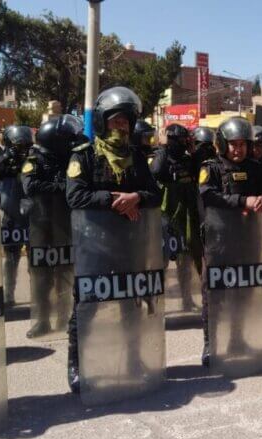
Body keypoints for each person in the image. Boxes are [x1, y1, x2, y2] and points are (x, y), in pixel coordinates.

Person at [65, 86, 161, 393]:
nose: (120, 127)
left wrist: (136, 196)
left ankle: (133, 360)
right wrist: (112, 199)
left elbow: (155, 195)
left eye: (125, 122)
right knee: (86, 307)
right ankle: (77, 365)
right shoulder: (85, 156)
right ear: (104, 122)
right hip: (93, 245)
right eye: (115, 121)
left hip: (129, 245)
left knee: (130, 307)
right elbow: (75, 196)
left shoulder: (137, 158)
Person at [198, 116, 262, 366]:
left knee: (243, 293)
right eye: (233, 144)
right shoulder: (209, 168)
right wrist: (243, 201)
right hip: (219, 241)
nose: (238, 149)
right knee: (215, 294)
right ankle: (211, 344)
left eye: (243, 144)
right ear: (222, 144)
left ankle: (237, 339)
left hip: (247, 238)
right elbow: (208, 195)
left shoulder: (255, 168)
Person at [21, 114, 86, 339]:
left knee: (66, 272)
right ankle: (41, 320)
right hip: (41, 224)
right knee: (41, 275)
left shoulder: (70, 157)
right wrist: (61, 186)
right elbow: (30, 186)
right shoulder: (35, 160)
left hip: (65, 223)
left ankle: (64, 317)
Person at [150, 124, 202, 311]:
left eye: (185, 141)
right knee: (161, 261)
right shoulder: (161, 158)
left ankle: (187, 299)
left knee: (185, 261)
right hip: (165, 217)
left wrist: (193, 151)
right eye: (180, 141)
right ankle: (154, 304)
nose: (182, 145)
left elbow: (199, 172)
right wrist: (163, 147)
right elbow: (156, 171)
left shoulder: (188, 160)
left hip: (184, 216)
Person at [0, 125, 32, 308]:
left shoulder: (33, 159)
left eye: (25, 144)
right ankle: (8, 295)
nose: (22, 148)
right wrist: (8, 156)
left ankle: (38, 293)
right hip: (10, 216)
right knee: (11, 258)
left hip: (31, 216)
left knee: (36, 258)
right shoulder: (0, 159)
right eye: (19, 144)